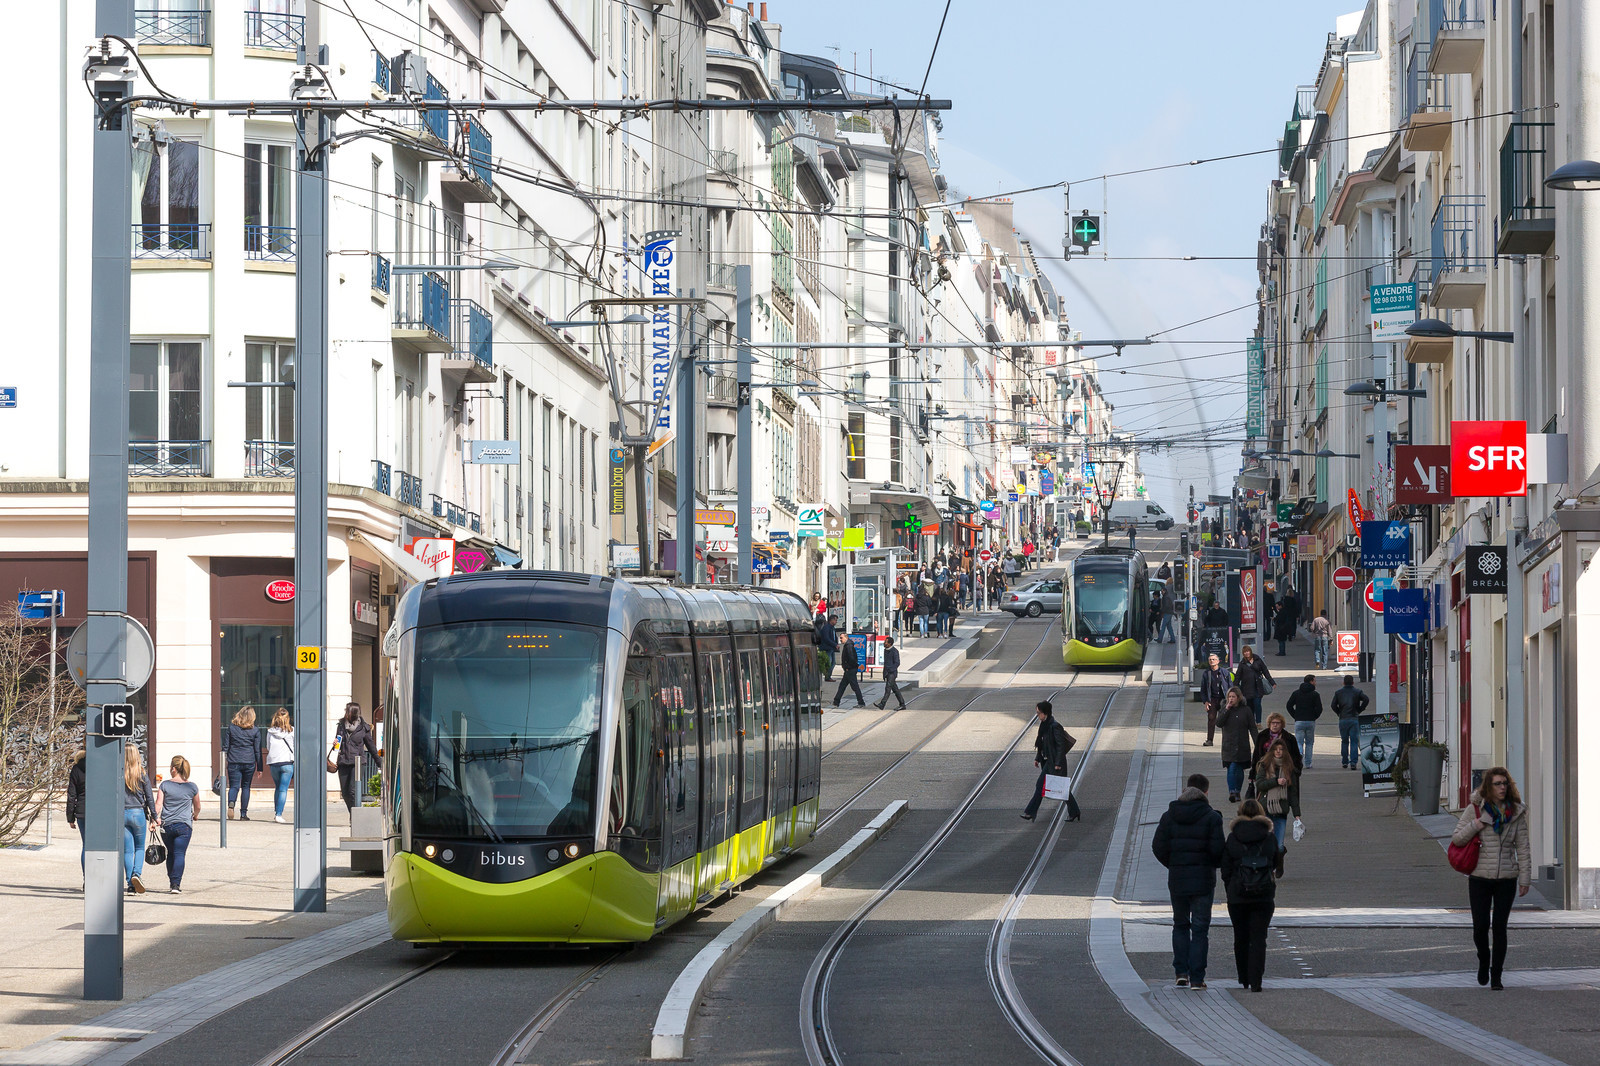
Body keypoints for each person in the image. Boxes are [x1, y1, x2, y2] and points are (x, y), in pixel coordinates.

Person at [1451, 766, 1531, 990]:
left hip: (1507, 878)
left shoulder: (1516, 813)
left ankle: (1497, 975)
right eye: (1497, 784)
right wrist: (1478, 824)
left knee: (1499, 927)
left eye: (1505, 783)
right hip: (1479, 877)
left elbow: (1523, 848)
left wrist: (1525, 879)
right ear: (1489, 786)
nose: (1502, 788)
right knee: (1480, 927)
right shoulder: (1475, 809)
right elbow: (1457, 839)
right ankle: (1483, 959)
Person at [1151, 772, 1226, 989]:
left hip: (1178, 879)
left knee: (1180, 924)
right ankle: (1197, 978)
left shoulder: (1169, 815)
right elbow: (1218, 850)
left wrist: (1173, 864)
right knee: (1200, 928)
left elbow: (1158, 847)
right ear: (1206, 792)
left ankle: (1180, 972)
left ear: (1185, 790)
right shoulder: (1212, 817)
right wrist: (1211, 864)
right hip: (1203, 881)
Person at [1221, 798, 1285, 992]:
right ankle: (1256, 980)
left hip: (1238, 894)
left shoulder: (1233, 838)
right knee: (1259, 937)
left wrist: (1230, 888)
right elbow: (1275, 862)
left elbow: (1225, 868)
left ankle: (1244, 978)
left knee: (1240, 937)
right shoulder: (1269, 837)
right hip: (1263, 894)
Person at [1021, 700, 1078, 822]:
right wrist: (1037, 758)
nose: (1037, 715)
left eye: (1038, 713)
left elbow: (1060, 746)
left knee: (1043, 786)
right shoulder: (1044, 726)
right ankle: (1074, 811)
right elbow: (1042, 745)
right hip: (1047, 761)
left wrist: (1058, 763)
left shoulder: (1054, 726)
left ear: (1045, 713)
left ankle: (1030, 812)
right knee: (1057, 788)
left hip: (1054, 762)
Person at [155, 755, 201, 893]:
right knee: (180, 853)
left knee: (171, 853)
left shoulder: (165, 785)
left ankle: (172, 881)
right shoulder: (192, 787)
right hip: (184, 826)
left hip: (167, 825)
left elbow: (158, 804)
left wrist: (153, 819)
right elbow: (198, 806)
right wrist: (195, 815)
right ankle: (176, 884)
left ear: (174, 769)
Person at [334, 702, 382, 820]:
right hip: (343, 761)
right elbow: (338, 743)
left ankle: (356, 818)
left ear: (353, 713)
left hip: (358, 763)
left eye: (348, 711)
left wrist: (380, 763)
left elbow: (371, 746)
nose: (346, 713)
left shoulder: (363, 727)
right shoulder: (341, 725)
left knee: (353, 791)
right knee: (345, 792)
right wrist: (335, 744)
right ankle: (354, 813)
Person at [122, 744, 157, 895]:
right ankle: (137, 874)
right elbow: (149, 797)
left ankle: (130, 884)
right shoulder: (142, 774)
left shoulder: (119, 773)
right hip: (138, 813)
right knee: (139, 848)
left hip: (122, 813)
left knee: (127, 851)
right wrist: (154, 817)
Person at [1253, 737, 1298, 847]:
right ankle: (1268, 864)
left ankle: (1278, 864)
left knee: (1279, 845)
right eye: (1275, 749)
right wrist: (1276, 781)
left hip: (1281, 809)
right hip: (1265, 807)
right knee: (1265, 842)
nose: (1278, 751)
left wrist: (1297, 814)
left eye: (1281, 749)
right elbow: (1259, 784)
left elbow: (1293, 792)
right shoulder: (1264, 765)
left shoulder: (1289, 768)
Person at [225, 705, 263, 821]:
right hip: (249, 761)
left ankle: (231, 804)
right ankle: (243, 814)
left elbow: (226, 746)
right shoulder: (255, 730)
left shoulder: (231, 728)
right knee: (246, 787)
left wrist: (224, 760)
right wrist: (260, 767)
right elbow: (257, 750)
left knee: (234, 786)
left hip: (234, 760)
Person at [1218, 687, 1255, 803]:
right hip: (1229, 745)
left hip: (1242, 744)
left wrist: (1258, 743)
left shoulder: (1246, 710)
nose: (1231, 699)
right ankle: (1232, 791)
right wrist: (1227, 709)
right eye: (1229, 697)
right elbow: (1219, 723)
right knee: (1231, 767)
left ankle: (1237, 791)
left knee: (1239, 769)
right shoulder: (1224, 709)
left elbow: (1252, 728)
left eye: (1233, 697)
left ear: (1239, 698)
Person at [1285, 675, 1323, 770]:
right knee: (1309, 743)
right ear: (1311, 681)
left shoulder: (1296, 693)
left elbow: (1289, 705)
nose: (1315, 682)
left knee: (1299, 741)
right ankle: (1308, 763)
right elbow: (1319, 708)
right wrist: (1314, 716)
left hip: (1299, 720)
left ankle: (1299, 755)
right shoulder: (1315, 694)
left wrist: (1295, 715)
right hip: (1310, 721)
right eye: (1314, 681)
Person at [1331, 676, 1370, 770]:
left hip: (1343, 719)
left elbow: (1333, 705)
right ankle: (1353, 762)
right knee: (1354, 741)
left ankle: (1344, 761)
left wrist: (1339, 712)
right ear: (1353, 682)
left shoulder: (1338, 693)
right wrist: (1360, 709)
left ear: (1343, 682)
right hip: (1354, 718)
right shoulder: (1357, 692)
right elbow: (1366, 699)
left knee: (1344, 741)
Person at [266, 707, 295, 823]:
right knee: (283, 790)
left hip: (274, 762)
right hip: (287, 762)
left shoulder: (270, 732)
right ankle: (279, 814)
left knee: (277, 788)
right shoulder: (292, 731)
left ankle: (276, 812)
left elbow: (268, 747)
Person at [1234, 646, 1274, 725]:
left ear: (1250, 651)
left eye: (1248, 651)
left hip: (1258, 688)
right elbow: (1238, 676)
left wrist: (1272, 682)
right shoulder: (1242, 663)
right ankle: (1251, 722)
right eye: (1245, 652)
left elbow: (1265, 671)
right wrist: (1234, 687)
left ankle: (1258, 722)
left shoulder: (1258, 660)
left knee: (1257, 704)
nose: (1246, 653)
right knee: (1249, 706)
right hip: (1246, 688)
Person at [1198, 653, 1228, 746]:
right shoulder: (1207, 673)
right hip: (1212, 699)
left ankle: (1226, 741)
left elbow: (1230, 686)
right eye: (1210, 659)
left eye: (1214, 659)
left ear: (1218, 661)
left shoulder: (1224, 672)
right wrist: (1206, 701)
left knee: (1224, 720)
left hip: (1223, 699)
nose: (1212, 661)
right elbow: (1203, 689)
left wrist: (1231, 699)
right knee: (1211, 718)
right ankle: (1210, 740)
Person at [66, 749, 86, 874]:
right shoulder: (98, 767)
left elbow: (71, 795)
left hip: (82, 811)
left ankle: (86, 878)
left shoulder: (76, 770)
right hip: (99, 811)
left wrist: (70, 817)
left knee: (86, 845)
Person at [832, 637, 866, 708]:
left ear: (846, 638)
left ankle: (861, 702)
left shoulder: (849, 646)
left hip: (850, 670)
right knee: (842, 686)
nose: (840, 640)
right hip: (849, 670)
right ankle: (836, 701)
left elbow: (852, 658)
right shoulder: (848, 645)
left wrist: (848, 667)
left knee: (854, 686)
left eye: (841, 638)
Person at [874, 637, 907, 711]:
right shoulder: (886, 650)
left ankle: (882, 704)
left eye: (885, 642)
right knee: (895, 690)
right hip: (887, 673)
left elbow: (897, 663)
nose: (884, 643)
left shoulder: (894, 651)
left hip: (892, 673)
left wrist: (890, 670)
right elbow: (886, 663)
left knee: (888, 689)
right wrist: (884, 673)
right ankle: (902, 704)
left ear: (890, 644)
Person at [814, 611, 838, 681]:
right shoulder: (826, 628)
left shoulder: (832, 628)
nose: (836, 622)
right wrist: (834, 644)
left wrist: (836, 644)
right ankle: (827, 676)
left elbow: (834, 637)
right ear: (831, 620)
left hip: (832, 648)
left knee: (833, 663)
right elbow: (826, 638)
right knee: (828, 662)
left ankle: (828, 676)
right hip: (827, 647)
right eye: (835, 620)